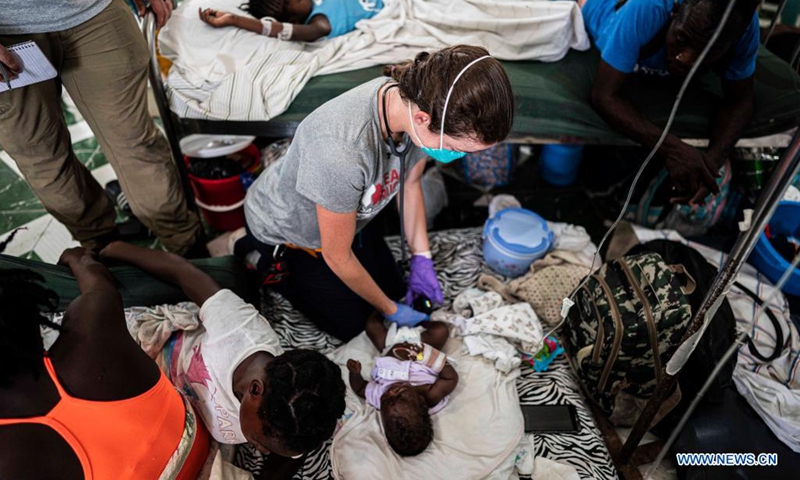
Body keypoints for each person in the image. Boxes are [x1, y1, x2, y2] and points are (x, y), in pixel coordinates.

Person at [238, 44, 515, 341]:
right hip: (288, 230)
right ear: (423, 119)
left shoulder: (421, 103)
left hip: (352, 213)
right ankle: (257, 255)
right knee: (356, 325)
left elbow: (410, 183)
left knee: (394, 288)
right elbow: (337, 255)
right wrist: (391, 310)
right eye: (455, 148)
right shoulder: (341, 151)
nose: (455, 156)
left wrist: (422, 258)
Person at [98, 241, 346, 469]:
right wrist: (113, 250)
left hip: (185, 420)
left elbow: (287, 455)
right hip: (159, 358)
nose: (260, 451)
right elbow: (182, 272)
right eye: (258, 442)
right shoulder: (237, 329)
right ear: (255, 390)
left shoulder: (295, 426)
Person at [0, 0, 203, 255]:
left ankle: (186, 246)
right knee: (44, 162)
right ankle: (102, 249)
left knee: (136, 145)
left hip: (94, 12)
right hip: (5, 30)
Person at [0, 248, 208, 479]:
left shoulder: (7, 459)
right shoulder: (91, 327)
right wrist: (73, 257)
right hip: (201, 446)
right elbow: (97, 282)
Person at [582, 0, 761, 204]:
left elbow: (740, 101)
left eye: (707, 51)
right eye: (682, 39)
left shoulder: (743, 26)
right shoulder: (648, 6)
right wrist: (673, 150)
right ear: (675, 11)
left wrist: (710, 165)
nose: (686, 59)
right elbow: (603, 96)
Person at [346, 313, 458, 456]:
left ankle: (384, 310)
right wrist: (429, 356)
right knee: (440, 330)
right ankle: (420, 318)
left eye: (386, 399)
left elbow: (360, 388)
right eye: (401, 395)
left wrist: (355, 373)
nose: (392, 391)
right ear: (421, 403)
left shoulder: (379, 397)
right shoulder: (431, 394)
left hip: (389, 345)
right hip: (421, 346)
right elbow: (451, 378)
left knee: (371, 326)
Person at [199, 0, 383, 42]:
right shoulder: (319, 23)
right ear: (293, 19)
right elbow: (283, 30)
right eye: (290, 2)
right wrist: (234, 20)